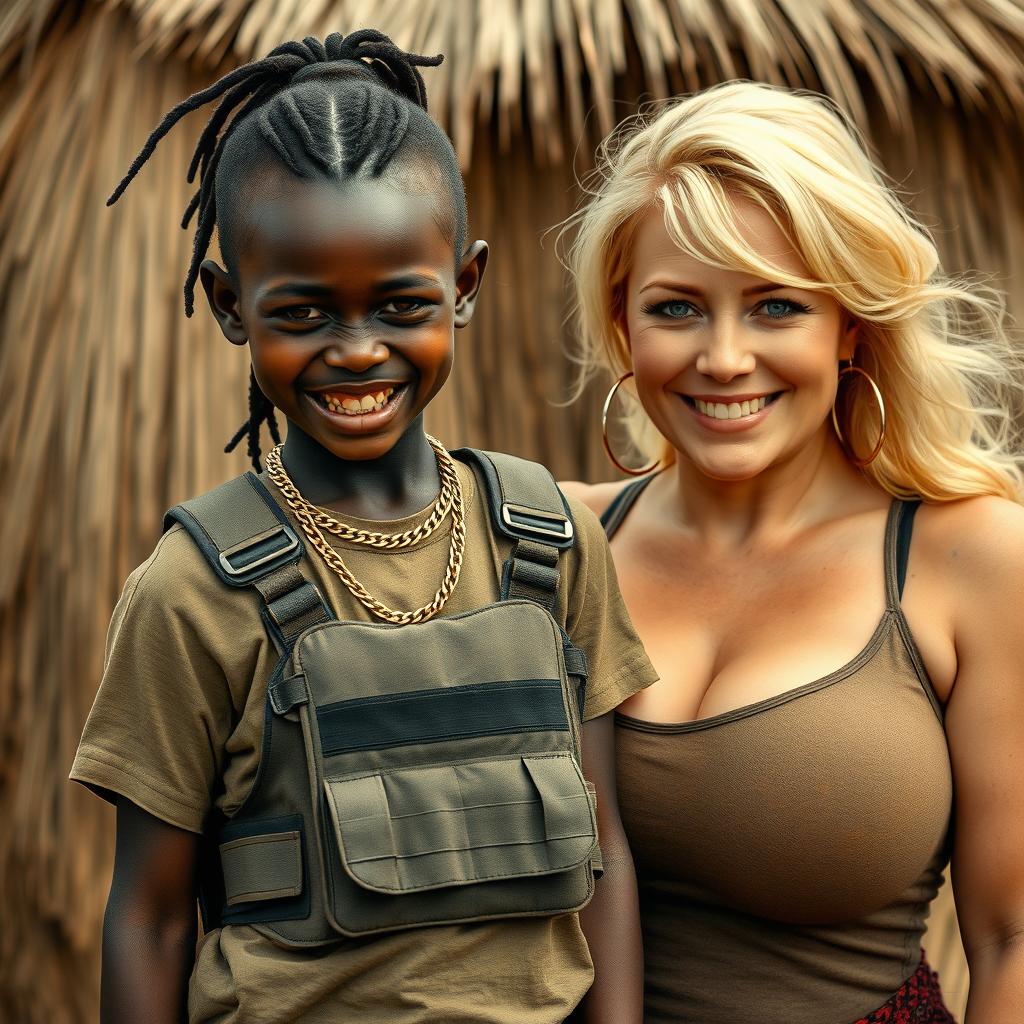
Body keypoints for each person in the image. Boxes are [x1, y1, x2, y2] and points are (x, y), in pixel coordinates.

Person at [71, 31, 656, 1024]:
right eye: (301, 314)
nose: (355, 350)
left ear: (463, 288)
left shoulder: (549, 540)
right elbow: (149, 918)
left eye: (400, 305)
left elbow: (603, 855)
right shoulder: (192, 590)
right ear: (228, 305)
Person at [560, 81, 1024, 1023]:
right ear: (622, 323)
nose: (725, 358)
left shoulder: (968, 557)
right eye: (677, 308)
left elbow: (1014, 937)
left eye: (775, 307)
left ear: (850, 325)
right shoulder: (553, 540)